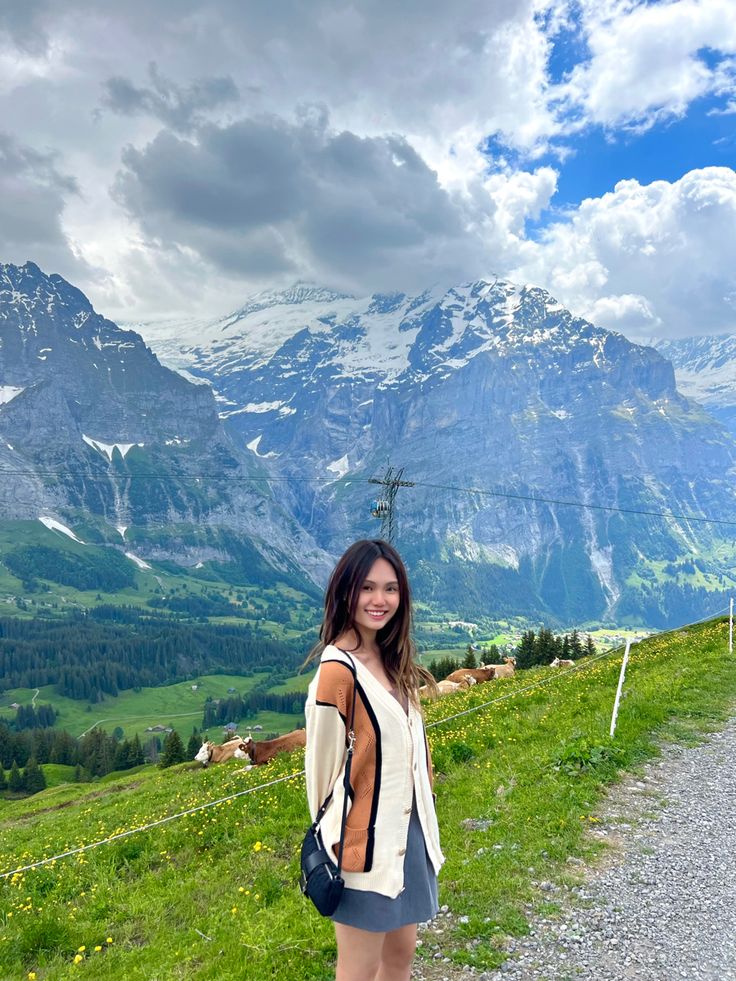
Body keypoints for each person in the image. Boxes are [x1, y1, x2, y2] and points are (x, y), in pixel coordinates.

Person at [304, 539, 443, 981]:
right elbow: (321, 777)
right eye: (367, 588)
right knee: (359, 971)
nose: (379, 600)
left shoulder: (392, 658)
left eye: (390, 589)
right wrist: (334, 844)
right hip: (361, 848)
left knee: (400, 956)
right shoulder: (337, 671)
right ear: (346, 592)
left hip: (410, 833)